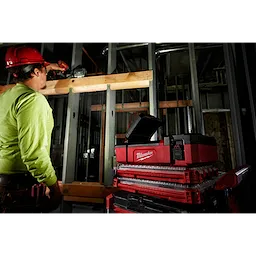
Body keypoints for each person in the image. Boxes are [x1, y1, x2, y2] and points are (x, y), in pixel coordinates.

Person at [0, 45, 65, 216]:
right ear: (36, 72)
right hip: (19, 187)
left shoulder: (5, 97)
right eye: (44, 71)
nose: (46, 74)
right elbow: (33, 154)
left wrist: (47, 67)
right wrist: (54, 187)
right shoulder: (33, 100)